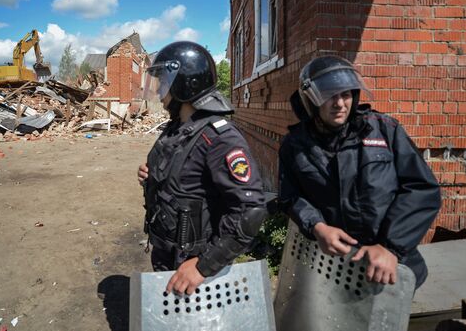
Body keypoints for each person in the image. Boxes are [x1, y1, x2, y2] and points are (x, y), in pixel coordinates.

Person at [278, 55, 441, 288]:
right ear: (310, 100)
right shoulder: (294, 145)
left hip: (391, 267)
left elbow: (422, 189)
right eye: (329, 96)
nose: (339, 103)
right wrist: (317, 226)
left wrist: (390, 247)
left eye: (345, 94)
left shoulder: (384, 130)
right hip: (334, 269)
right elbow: (290, 197)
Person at [137, 41, 267, 296]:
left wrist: (203, 266)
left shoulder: (220, 137)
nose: (160, 91)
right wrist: (150, 177)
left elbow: (250, 211)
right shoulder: (177, 128)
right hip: (167, 257)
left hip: (195, 273)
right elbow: (182, 179)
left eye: (164, 82)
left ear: (184, 83)